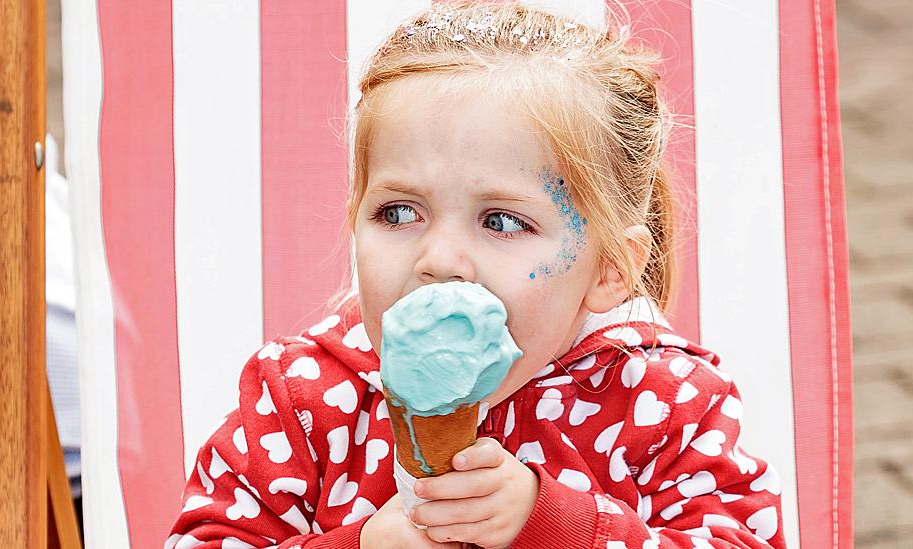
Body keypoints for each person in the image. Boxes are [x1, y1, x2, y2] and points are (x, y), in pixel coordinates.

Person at [167, 2, 785, 548]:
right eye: (399, 212)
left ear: (608, 268)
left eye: (502, 222)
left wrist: (553, 525)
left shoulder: (665, 404)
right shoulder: (302, 401)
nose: (439, 259)